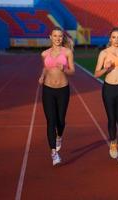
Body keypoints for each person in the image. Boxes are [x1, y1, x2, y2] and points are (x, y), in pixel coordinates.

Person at [94, 27, 118, 167]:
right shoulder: (104, 53)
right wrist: (107, 68)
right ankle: (113, 142)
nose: (116, 40)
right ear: (110, 39)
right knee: (112, 120)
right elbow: (97, 73)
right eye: (114, 37)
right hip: (109, 89)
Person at [38, 27, 75, 166]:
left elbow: (72, 71)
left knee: (61, 121)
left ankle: (59, 136)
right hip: (48, 90)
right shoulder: (44, 53)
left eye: (60, 36)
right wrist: (42, 76)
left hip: (63, 90)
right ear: (50, 37)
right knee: (51, 121)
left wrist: (64, 69)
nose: (58, 38)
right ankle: (54, 153)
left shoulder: (67, 52)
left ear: (62, 37)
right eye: (55, 36)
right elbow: (46, 67)